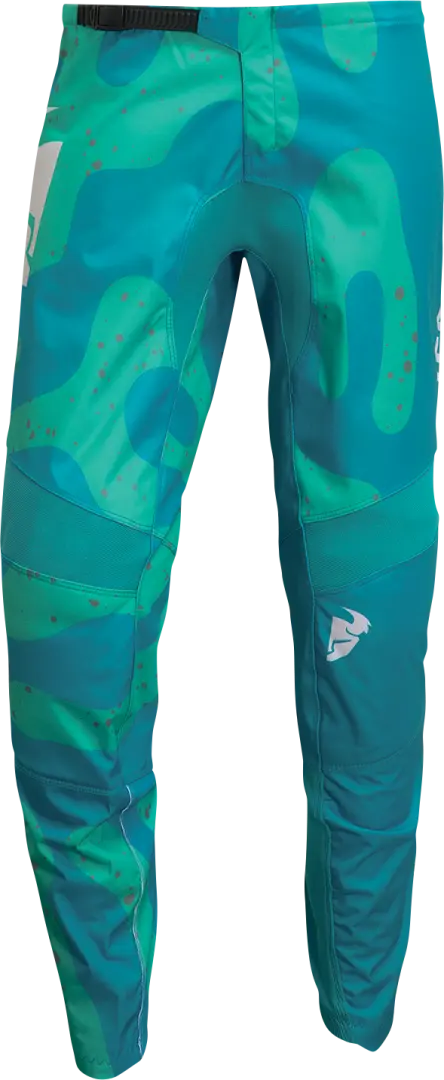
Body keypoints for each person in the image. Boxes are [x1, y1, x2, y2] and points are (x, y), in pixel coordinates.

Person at [3, 1, 439, 1076]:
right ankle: (104, 1050)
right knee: (65, 601)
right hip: (128, 69)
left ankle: (361, 1029)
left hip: (357, 69)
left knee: (370, 612)